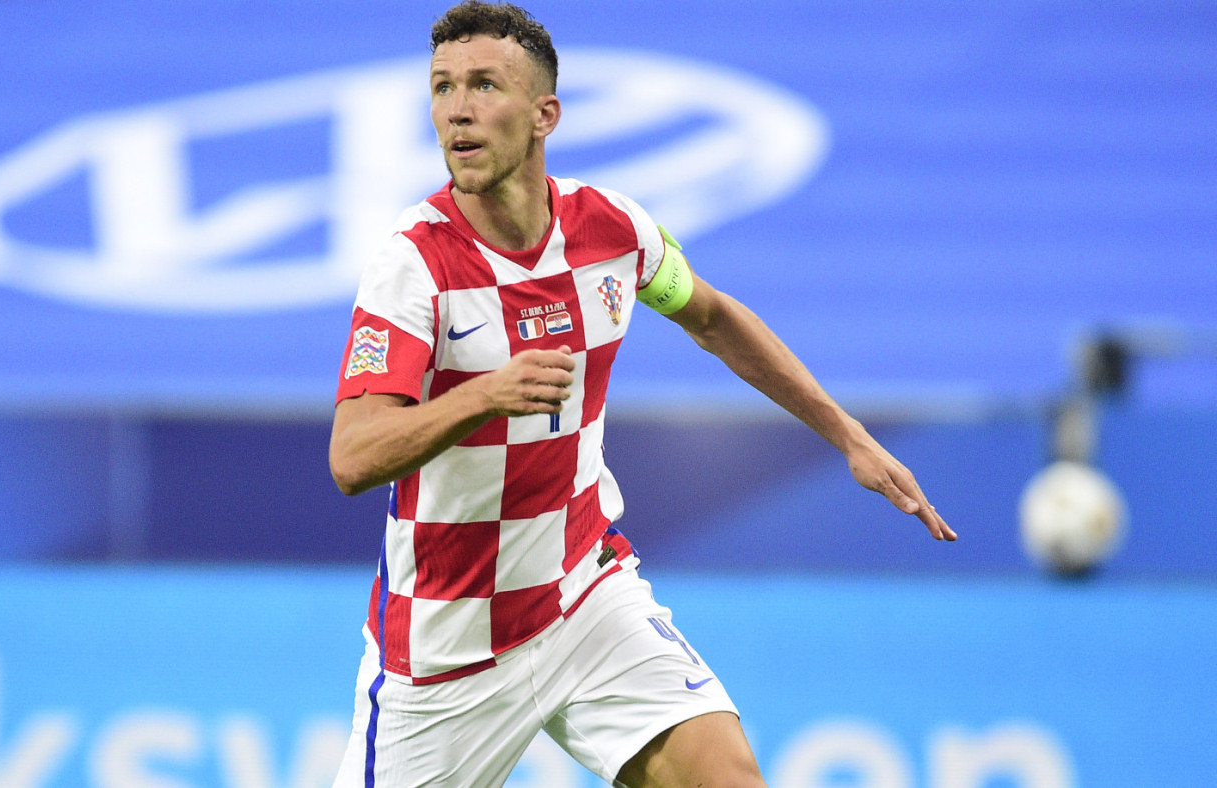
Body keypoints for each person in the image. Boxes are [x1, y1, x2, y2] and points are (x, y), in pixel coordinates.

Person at [329, 2, 957, 785]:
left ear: (544, 115)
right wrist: (482, 396)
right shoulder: (412, 264)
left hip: (584, 598)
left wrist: (849, 437)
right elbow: (353, 457)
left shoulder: (612, 230)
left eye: (485, 85)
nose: (457, 109)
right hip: (449, 643)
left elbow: (714, 318)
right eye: (442, 87)